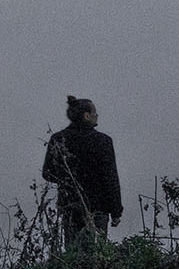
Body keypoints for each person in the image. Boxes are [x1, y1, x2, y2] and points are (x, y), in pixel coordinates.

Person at [43, 96, 122, 252]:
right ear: (86, 116)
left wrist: (68, 180)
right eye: (94, 112)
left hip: (70, 205)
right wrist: (116, 210)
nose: (97, 115)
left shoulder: (58, 139)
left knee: (73, 254)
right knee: (96, 254)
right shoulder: (103, 141)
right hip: (98, 207)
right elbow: (111, 178)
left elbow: (47, 173)